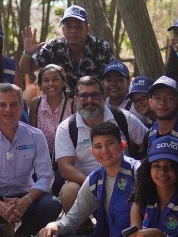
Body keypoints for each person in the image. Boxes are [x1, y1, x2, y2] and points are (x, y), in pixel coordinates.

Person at [0, 83, 61, 236]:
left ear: (21, 107)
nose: (8, 110)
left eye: (14, 104)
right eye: (2, 105)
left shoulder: (35, 136)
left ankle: (23, 234)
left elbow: (46, 176)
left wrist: (26, 201)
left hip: (25, 197)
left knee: (52, 204)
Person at [55, 76, 147, 213]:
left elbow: (150, 145)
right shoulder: (67, 127)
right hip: (85, 184)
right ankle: (83, 229)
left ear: (104, 96)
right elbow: (65, 168)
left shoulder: (123, 117)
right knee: (69, 191)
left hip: (124, 181)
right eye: (84, 96)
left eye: (95, 95)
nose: (89, 101)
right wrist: (96, 183)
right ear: (75, 99)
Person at [39, 122, 139, 237]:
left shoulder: (137, 172)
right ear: (92, 152)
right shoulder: (95, 179)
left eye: (110, 144)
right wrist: (54, 226)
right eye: (98, 146)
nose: (104, 150)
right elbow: (72, 219)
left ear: (122, 145)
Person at [21, 5, 115, 92]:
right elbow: (24, 69)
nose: (73, 31)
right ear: (63, 30)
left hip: (94, 102)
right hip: (63, 105)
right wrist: (28, 53)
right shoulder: (54, 47)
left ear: (87, 28)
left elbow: (112, 81)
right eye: (68, 27)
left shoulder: (102, 48)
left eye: (78, 27)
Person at [129, 135, 178, 237]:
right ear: (148, 169)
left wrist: (160, 235)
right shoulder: (139, 201)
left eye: (170, 166)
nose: (163, 172)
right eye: (156, 166)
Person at [28, 64, 75, 158]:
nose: (51, 83)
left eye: (55, 79)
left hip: (69, 158)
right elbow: (32, 136)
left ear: (63, 81)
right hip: (43, 158)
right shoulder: (36, 104)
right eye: (46, 80)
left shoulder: (73, 105)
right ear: (40, 85)